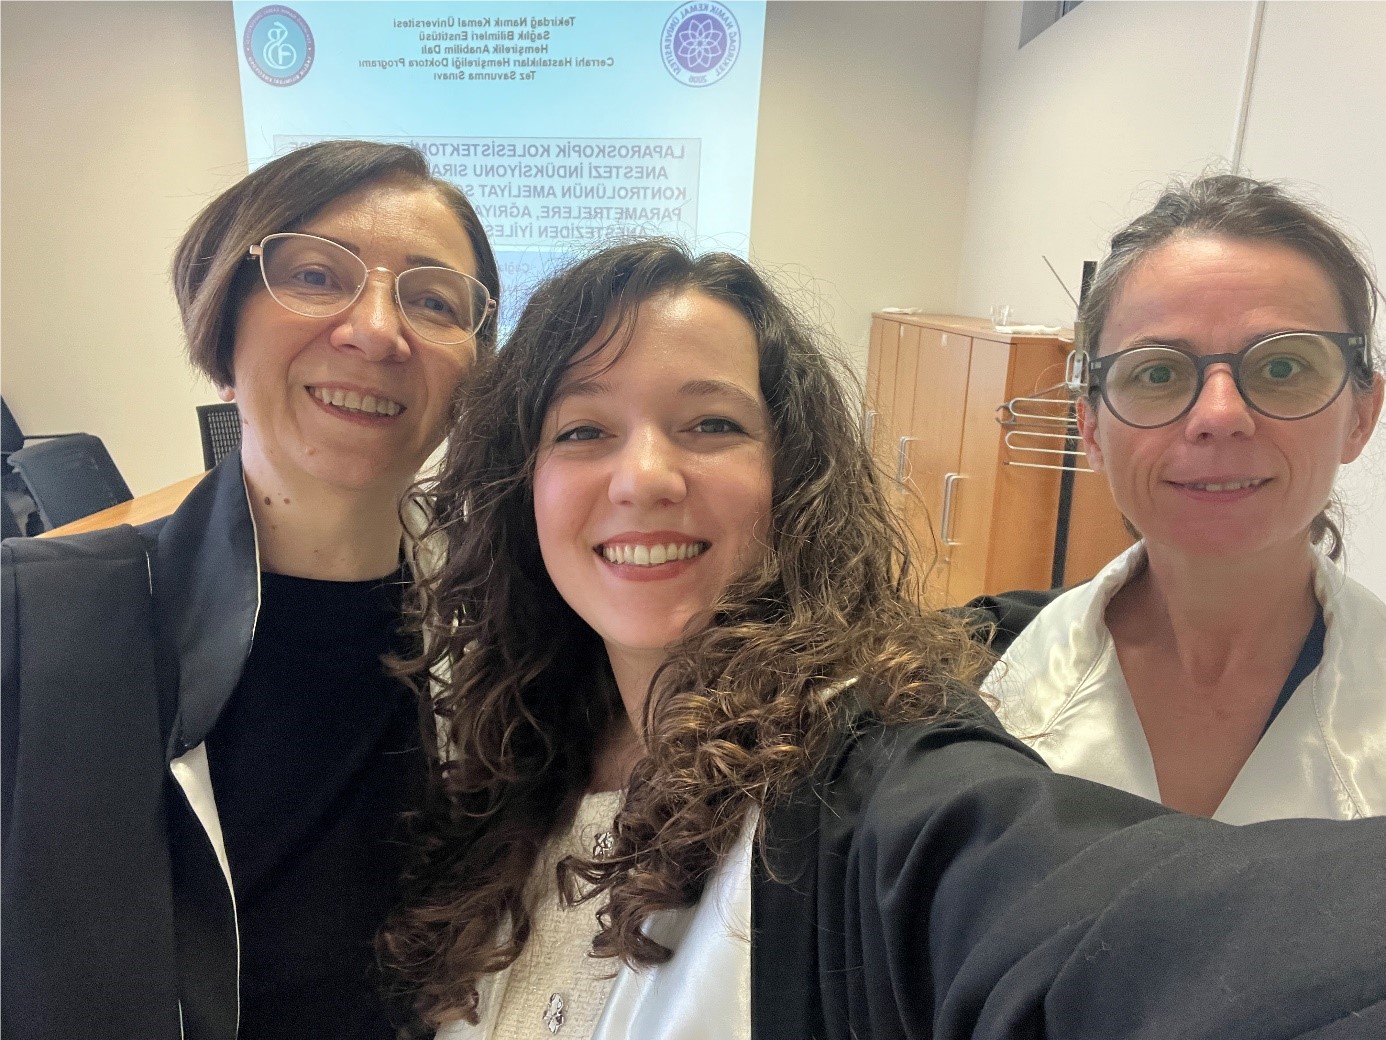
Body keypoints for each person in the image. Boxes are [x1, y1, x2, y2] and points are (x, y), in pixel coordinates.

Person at [378, 238, 1385, 1040]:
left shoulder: (860, 773)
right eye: (582, 430)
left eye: (712, 425)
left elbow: (1098, 917)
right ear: (521, 484)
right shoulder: (507, 763)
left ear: (794, 479)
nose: (645, 476)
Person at [1, 140, 499, 1040]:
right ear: (221, 327)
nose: (376, 331)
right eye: (315, 275)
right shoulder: (34, 628)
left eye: (433, 301)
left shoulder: (505, 643)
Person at [980, 174, 1386, 823]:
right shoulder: (965, 696)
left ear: (1361, 415)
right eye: (1159, 372)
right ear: (1091, 428)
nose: (1219, 415)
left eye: (1283, 367)